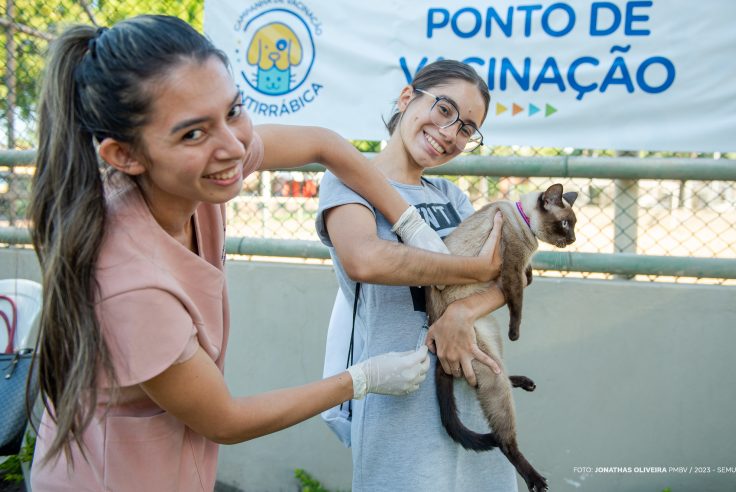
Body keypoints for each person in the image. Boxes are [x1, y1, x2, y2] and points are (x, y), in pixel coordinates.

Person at [26, 15, 457, 491]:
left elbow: (324, 144)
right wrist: (361, 378)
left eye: (233, 110)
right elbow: (225, 420)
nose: (234, 147)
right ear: (125, 156)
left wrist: (409, 222)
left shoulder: (199, 173)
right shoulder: (128, 282)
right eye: (194, 133)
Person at [316, 59, 519, 491]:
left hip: (470, 382)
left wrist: (460, 315)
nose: (450, 133)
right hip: (399, 394)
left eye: (466, 128)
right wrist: (472, 269)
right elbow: (366, 260)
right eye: (445, 110)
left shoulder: (449, 195)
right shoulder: (347, 183)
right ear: (408, 97)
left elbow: (508, 275)